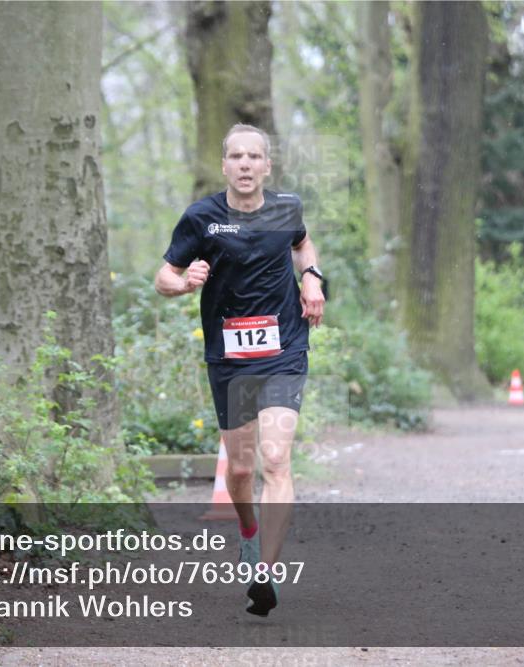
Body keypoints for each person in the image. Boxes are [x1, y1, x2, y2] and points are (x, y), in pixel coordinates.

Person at [154, 124, 326, 616]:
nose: (246, 164)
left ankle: (265, 574)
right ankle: (248, 531)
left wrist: (311, 277)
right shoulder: (201, 218)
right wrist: (185, 282)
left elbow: (303, 244)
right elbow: (162, 276)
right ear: (225, 164)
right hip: (230, 359)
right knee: (243, 468)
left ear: (267, 166)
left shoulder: (286, 207)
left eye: (255, 156)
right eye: (236, 156)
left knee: (276, 460)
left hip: (284, 349)